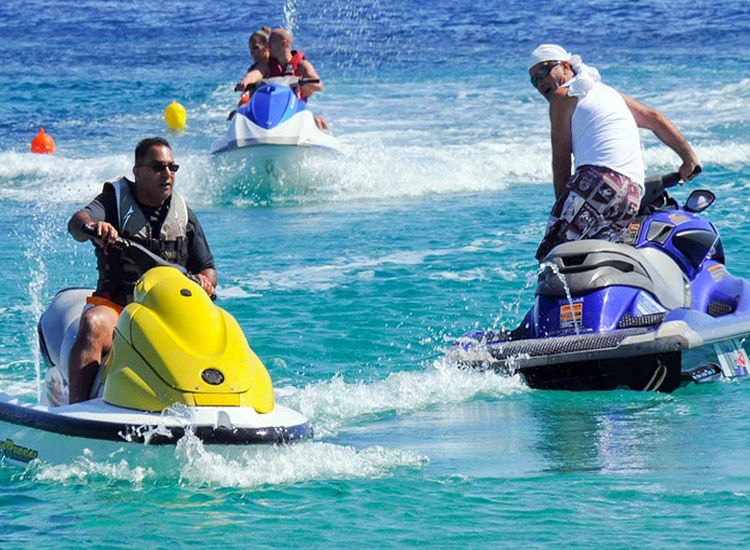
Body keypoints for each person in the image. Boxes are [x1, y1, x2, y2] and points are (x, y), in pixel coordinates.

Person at [66, 137, 217, 404]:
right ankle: (75, 410)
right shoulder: (112, 201)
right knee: (93, 324)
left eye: (172, 167)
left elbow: (207, 268)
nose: (167, 173)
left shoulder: (184, 214)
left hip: (167, 317)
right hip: (117, 309)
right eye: (158, 167)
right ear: (137, 171)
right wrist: (94, 227)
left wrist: (205, 281)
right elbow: (77, 222)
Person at [529, 44, 701, 261]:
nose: (540, 83)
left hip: (598, 182)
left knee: (555, 257)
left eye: (544, 72)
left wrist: (563, 212)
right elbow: (654, 119)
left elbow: (561, 160)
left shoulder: (562, 96)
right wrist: (689, 159)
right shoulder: (607, 92)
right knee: (592, 258)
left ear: (565, 66)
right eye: (534, 80)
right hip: (632, 194)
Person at [236, 27, 329, 130]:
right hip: (269, 113)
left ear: (284, 43)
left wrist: (302, 83)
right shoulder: (267, 65)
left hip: (295, 111)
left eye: (272, 41)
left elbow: (318, 85)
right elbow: (256, 73)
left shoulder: (302, 65)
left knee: (318, 121)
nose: (268, 45)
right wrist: (245, 82)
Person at [234, 27, 271, 96]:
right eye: (250, 49)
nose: (252, 53)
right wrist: (245, 82)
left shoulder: (277, 63)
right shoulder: (254, 68)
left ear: (267, 46)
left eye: (255, 48)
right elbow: (254, 74)